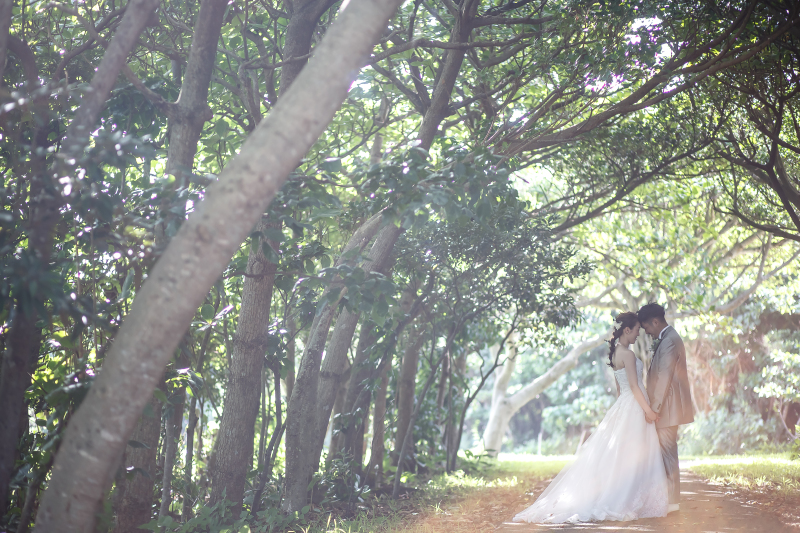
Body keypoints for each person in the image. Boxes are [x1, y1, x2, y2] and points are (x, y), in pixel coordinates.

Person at [512, 312, 668, 524]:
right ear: (627, 330)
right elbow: (633, 386)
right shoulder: (628, 355)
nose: (639, 333)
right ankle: (625, 498)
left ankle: (626, 494)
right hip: (635, 405)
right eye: (637, 330)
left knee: (623, 455)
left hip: (626, 404)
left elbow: (620, 389)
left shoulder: (616, 354)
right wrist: (648, 411)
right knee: (632, 453)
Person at [637, 302, 694, 514]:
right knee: (665, 453)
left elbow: (664, 377)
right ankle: (668, 500)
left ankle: (673, 502)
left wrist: (655, 409)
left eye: (646, 328)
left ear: (654, 321)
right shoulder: (668, 338)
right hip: (667, 407)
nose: (646, 332)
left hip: (667, 408)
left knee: (668, 453)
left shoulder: (669, 340)